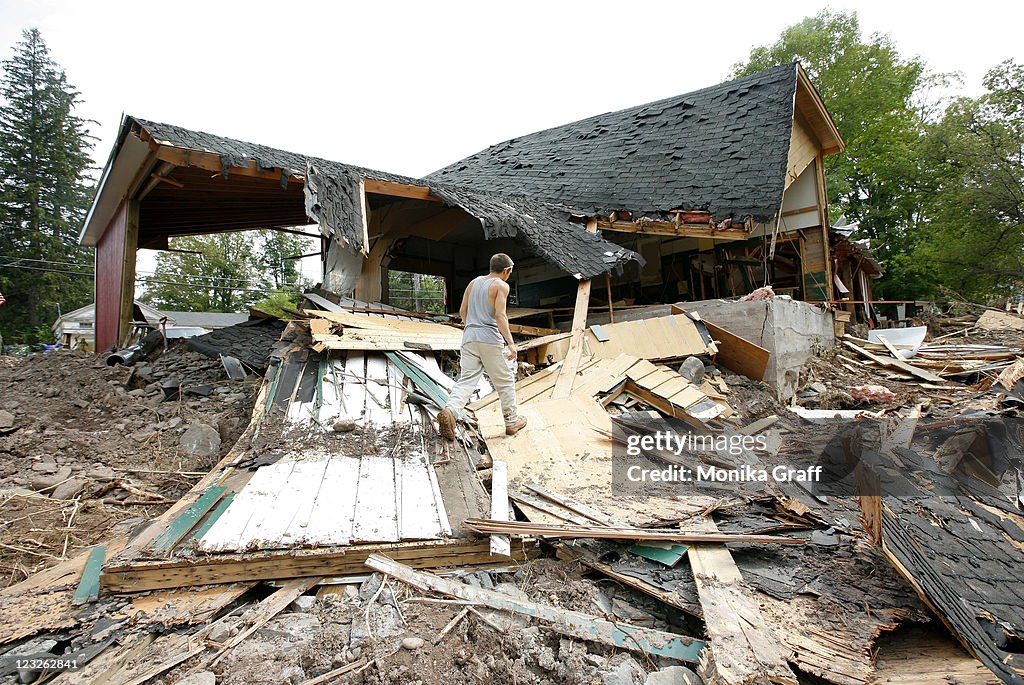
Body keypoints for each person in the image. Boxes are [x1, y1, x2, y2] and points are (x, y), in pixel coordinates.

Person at [437, 253, 527, 440]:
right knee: (504, 380)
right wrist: (511, 343)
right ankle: (511, 421)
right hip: (489, 339)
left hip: (469, 338)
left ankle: (450, 412)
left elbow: (463, 311)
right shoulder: (501, 286)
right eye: (509, 272)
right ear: (506, 271)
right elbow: (500, 316)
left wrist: (472, 327)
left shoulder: (474, 282)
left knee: (467, 380)